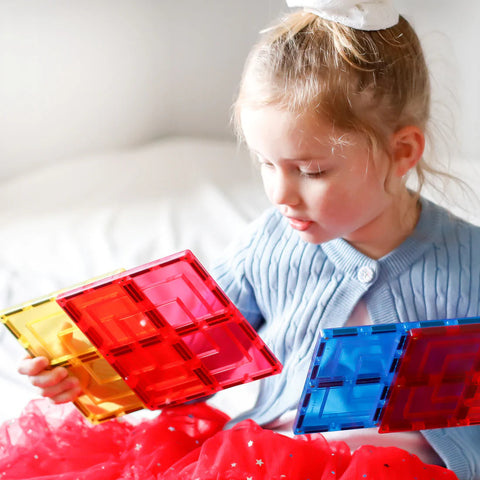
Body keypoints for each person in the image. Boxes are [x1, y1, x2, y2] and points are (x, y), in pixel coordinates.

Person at [6, 1, 480, 479]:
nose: (280, 194)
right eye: (266, 164)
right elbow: (190, 359)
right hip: (273, 458)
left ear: (402, 152)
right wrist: (90, 373)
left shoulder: (470, 262)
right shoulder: (270, 246)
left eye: (311, 171)